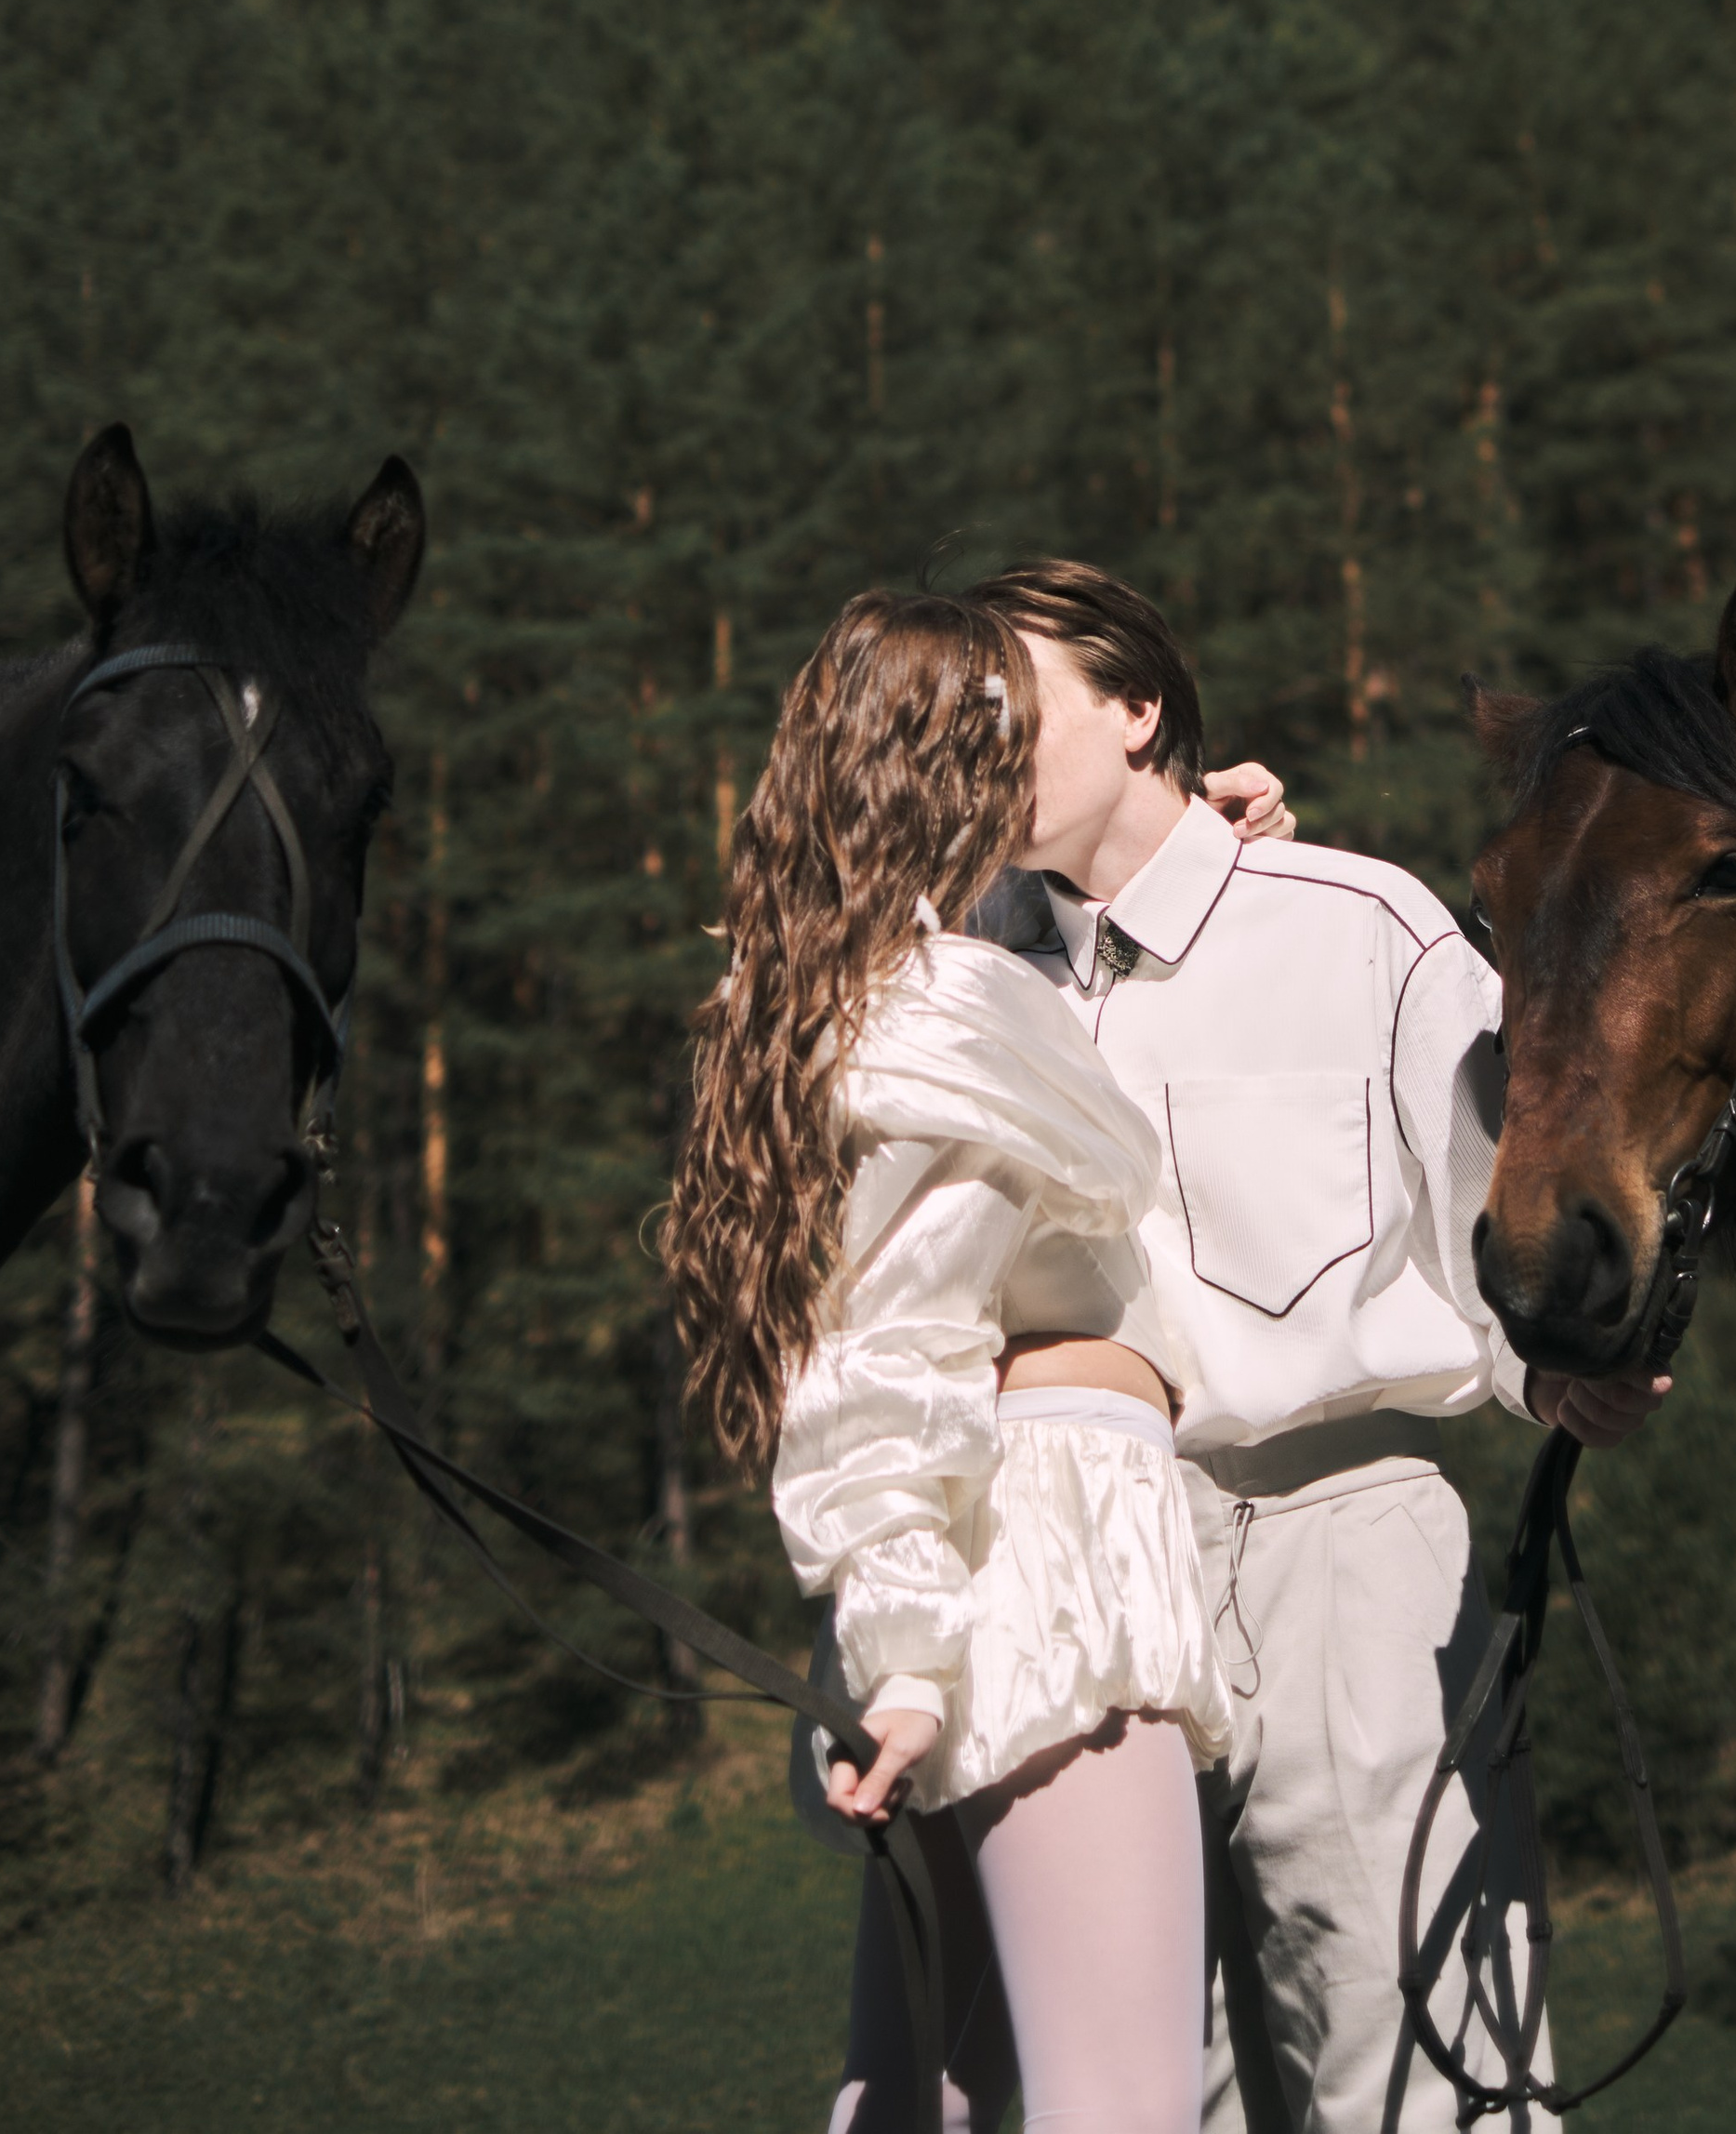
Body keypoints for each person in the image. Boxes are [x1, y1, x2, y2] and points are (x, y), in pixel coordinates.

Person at [968, 561, 1668, 2134]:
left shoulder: (1360, 926)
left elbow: (1504, 1203)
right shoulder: (973, 978)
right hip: (1076, 1567)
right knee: (1138, 2086)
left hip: (1342, 1545)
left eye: (1008, 705)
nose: (970, 742)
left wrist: (1560, 1367)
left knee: (1415, 2067)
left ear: (1138, 707)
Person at [662, 590, 1236, 2134]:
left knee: (929, 2099)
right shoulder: (951, 1018)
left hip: (965, 1571)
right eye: (1011, 722)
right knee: (1118, 2108)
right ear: (954, 762)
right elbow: (888, 1353)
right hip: (1048, 1568)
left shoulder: (836, 1001)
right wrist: (912, 1660)